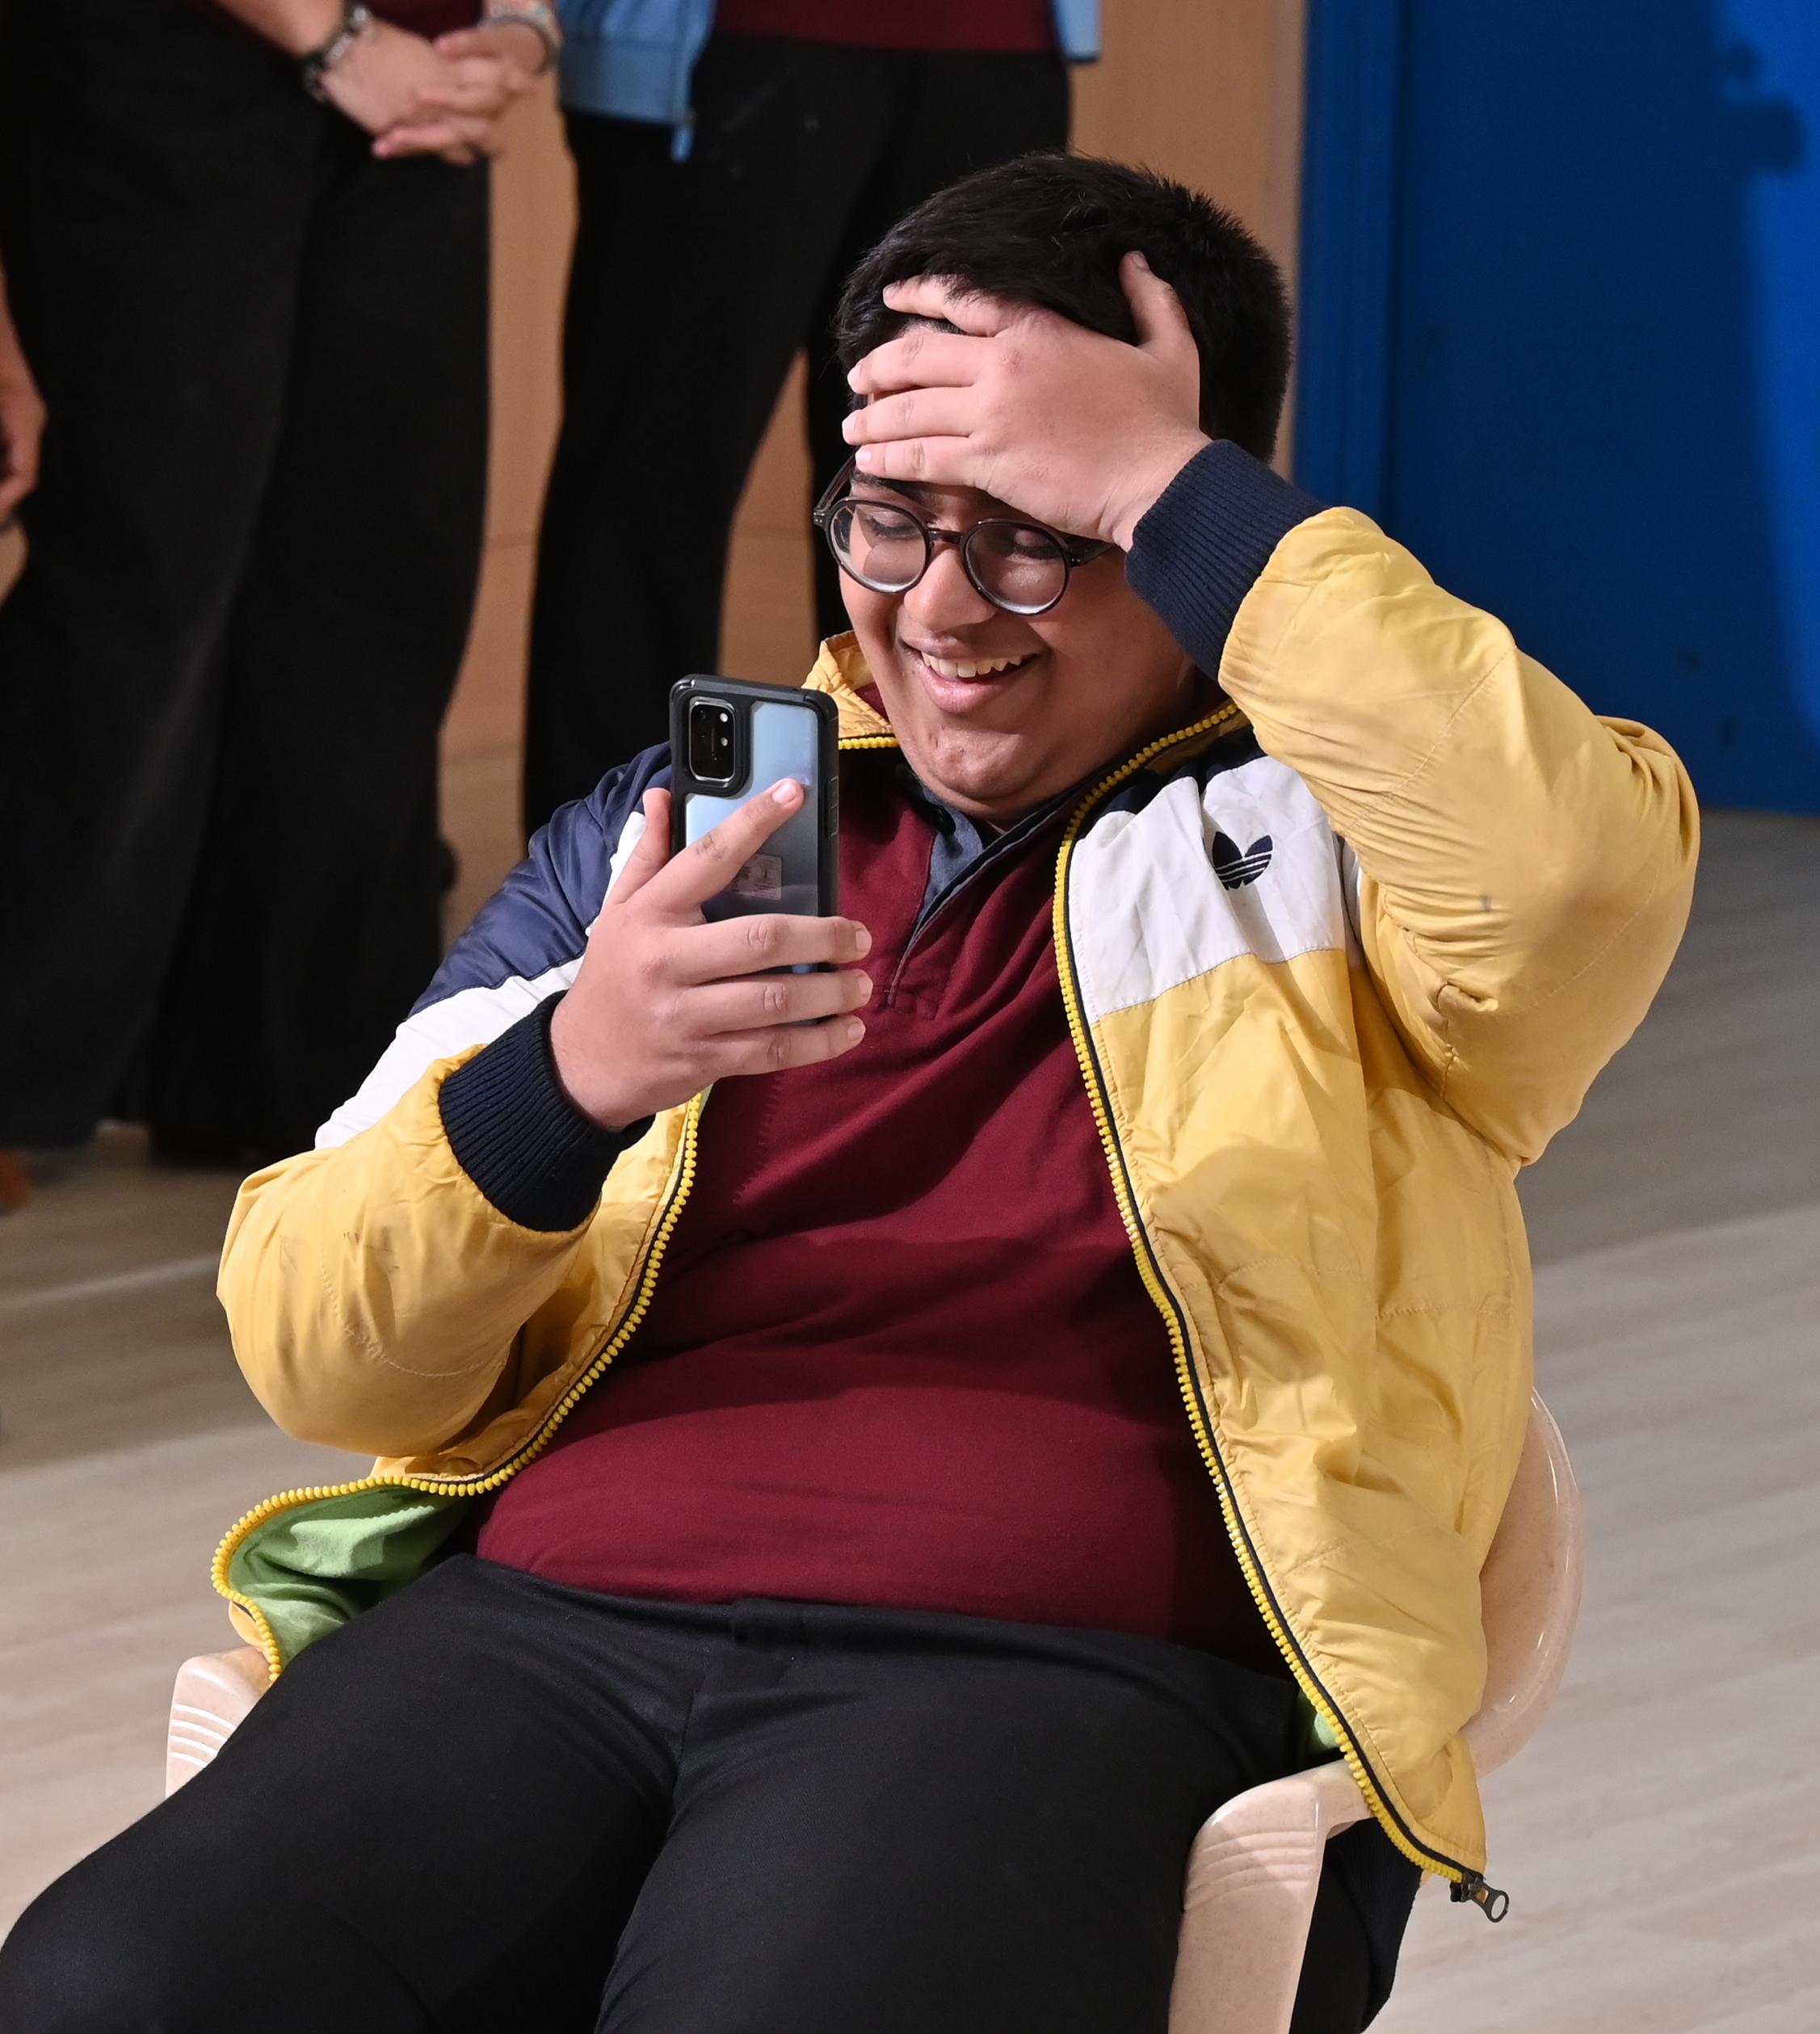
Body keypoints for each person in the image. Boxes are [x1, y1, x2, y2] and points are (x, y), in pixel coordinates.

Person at [0, 154, 1697, 2032]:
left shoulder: (1341, 840)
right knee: (101, 1989)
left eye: (1038, 527)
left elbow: (1570, 884)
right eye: (889, 522)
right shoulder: (674, 834)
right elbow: (318, 1352)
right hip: (552, 1627)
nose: (942, 606)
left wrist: (1170, 484)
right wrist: (571, 1077)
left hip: (1047, 1670)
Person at [0, 0, 549, 1196]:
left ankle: (274, 1072)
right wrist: (336, 40)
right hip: (169, 57)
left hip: (420, 79)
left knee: (374, 584)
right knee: (140, 583)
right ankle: (15, 1062)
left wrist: (519, 28)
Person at [521, 0, 1095, 830]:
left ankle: (933, 868)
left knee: (942, 496)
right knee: (648, 496)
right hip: (721, 46)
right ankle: (599, 875)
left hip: (995, 43)